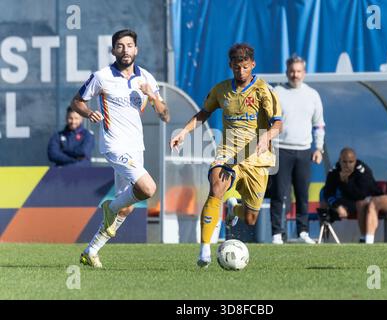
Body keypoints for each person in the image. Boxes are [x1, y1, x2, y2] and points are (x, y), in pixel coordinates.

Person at [170, 43, 282, 267]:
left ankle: (234, 208)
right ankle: (204, 251)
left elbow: (278, 124)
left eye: (245, 67)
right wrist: (183, 132)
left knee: (250, 219)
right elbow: (203, 113)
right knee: (216, 188)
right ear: (230, 65)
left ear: (252, 65)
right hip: (228, 152)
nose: (241, 71)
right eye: (236, 67)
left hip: (256, 159)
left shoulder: (264, 91)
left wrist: (266, 136)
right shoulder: (221, 90)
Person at [70, 29, 170, 268]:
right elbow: (77, 101)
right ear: (113, 50)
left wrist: (153, 97)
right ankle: (109, 206)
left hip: (136, 147)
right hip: (114, 145)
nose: (125, 50)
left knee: (126, 209)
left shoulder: (145, 77)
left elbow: (165, 115)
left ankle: (91, 250)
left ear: (136, 49)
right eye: (120, 46)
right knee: (148, 188)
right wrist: (88, 112)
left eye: (129, 45)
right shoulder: (102, 76)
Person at [269, 55, 325, 245]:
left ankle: (303, 232)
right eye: (292, 71)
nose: (295, 75)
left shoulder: (312, 95)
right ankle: (277, 233)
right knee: (279, 193)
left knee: (302, 194)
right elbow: (266, 119)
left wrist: (319, 148)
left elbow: (319, 125)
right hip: (280, 149)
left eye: (299, 71)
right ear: (287, 72)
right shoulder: (277, 92)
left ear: (304, 73)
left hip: (304, 151)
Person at [322, 147, 383, 242]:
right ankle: (324, 238)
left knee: (361, 203)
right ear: (339, 161)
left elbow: (361, 195)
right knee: (323, 198)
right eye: (344, 162)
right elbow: (328, 192)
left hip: (370, 199)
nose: (347, 165)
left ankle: (364, 238)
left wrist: (347, 181)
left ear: (355, 161)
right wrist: (337, 206)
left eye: (351, 162)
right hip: (350, 200)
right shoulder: (334, 171)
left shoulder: (363, 171)